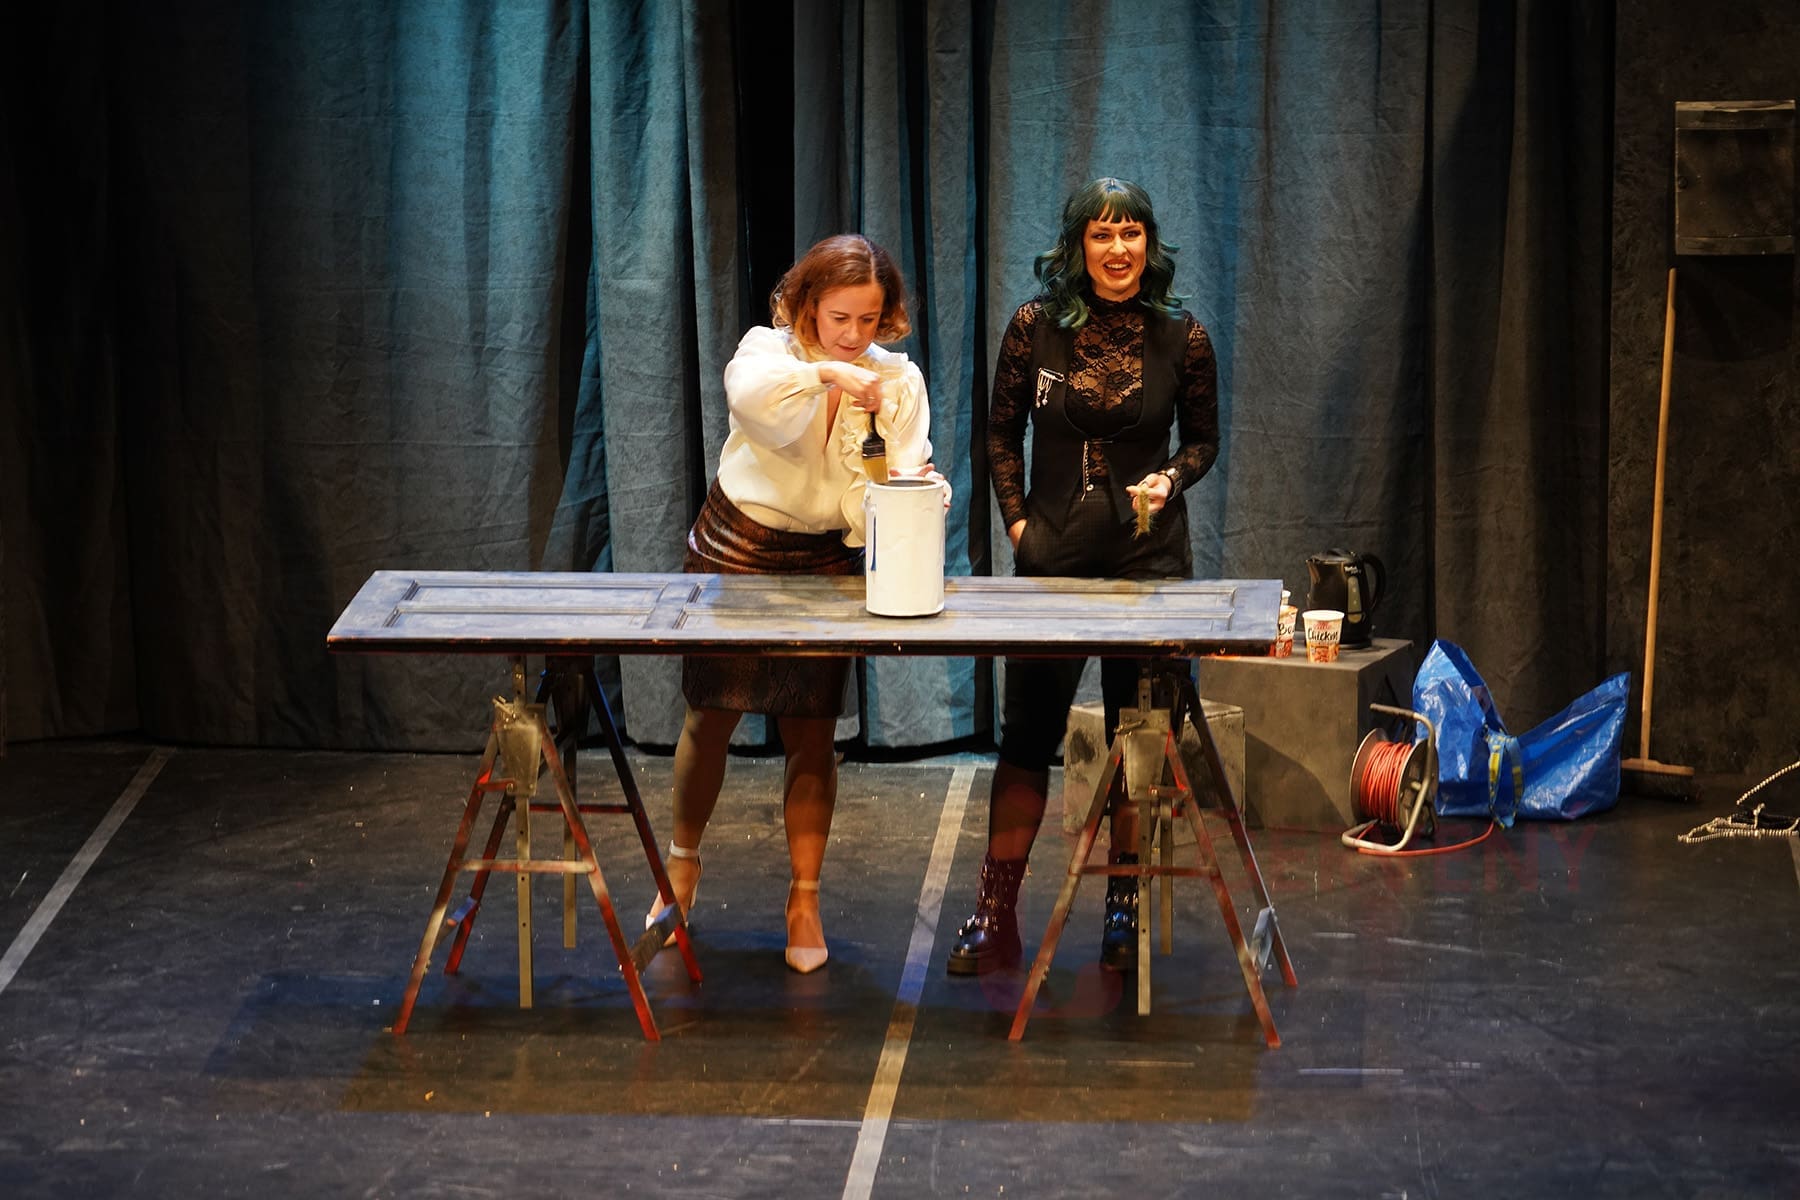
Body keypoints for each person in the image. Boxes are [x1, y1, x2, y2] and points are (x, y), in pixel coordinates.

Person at [946, 177, 1219, 976]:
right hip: (1053, 559)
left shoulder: (1184, 336)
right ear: (1078, 247)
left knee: (1139, 739)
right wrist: (1019, 525)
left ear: (1149, 244)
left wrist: (1171, 478)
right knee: (1027, 737)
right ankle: (996, 914)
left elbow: (1204, 440)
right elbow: (1001, 435)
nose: (1118, 248)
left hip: (1147, 562)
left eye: (1130, 233)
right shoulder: (1034, 328)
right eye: (1101, 235)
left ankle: (1122, 908)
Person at [647, 234, 936, 974]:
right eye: (840, 317)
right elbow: (756, 406)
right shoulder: (765, 354)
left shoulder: (897, 381)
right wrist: (829, 373)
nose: (854, 334)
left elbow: (882, 493)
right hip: (739, 545)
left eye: (868, 320)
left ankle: (804, 897)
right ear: (808, 305)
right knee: (711, 716)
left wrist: (909, 490)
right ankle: (680, 867)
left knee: (812, 729)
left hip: (824, 560)